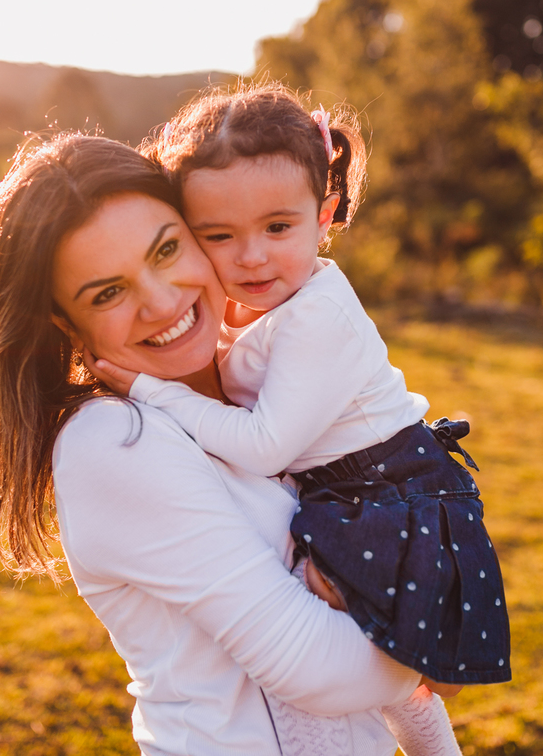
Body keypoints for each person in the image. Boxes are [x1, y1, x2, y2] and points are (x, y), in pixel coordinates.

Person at [0, 133, 458, 756]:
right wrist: (436, 645)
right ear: (65, 322)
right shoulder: (113, 442)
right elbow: (314, 665)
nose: (161, 302)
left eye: (167, 250)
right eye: (107, 292)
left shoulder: (261, 384)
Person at [90, 86, 511, 700]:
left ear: (325, 212)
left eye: (278, 226)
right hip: (352, 487)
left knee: (394, 667)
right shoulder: (266, 301)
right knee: (398, 675)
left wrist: (157, 391)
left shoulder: (318, 316)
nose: (252, 256)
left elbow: (262, 447)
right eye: (219, 236)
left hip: (386, 496)